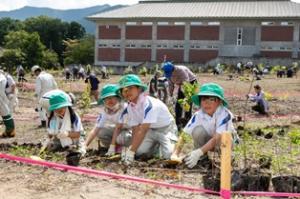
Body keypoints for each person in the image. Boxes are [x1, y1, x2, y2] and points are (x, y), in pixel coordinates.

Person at [171, 83, 237, 168]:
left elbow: (217, 137)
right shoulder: (198, 115)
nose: (206, 102)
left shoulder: (225, 114)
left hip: (223, 143)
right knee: (197, 131)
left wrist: (199, 152)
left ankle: (227, 158)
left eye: (211, 99)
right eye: (203, 99)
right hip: (208, 141)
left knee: (224, 138)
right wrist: (175, 153)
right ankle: (203, 158)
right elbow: (184, 134)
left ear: (220, 101)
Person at [117, 74, 178, 164]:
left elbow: (143, 129)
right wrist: (133, 149)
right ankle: (155, 147)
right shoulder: (130, 107)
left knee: (168, 155)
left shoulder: (149, 104)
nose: (127, 92)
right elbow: (135, 129)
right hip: (150, 130)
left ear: (139, 89)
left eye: (130, 88)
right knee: (139, 152)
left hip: (165, 129)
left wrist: (131, 151)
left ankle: (166, 144)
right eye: (124, 90)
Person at [85, 84, 132, 155]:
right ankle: (117, 148)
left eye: (112, 97)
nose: (110, 100)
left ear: (118, 98)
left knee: (123, 138)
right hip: (118, 130)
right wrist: (84, 146)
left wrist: (112, 145)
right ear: (103, 100)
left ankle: (127, 148)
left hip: (130, 130)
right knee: (101, 131)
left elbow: (118, 127)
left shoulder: (125, 108)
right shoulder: (105, 111)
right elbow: (95, 129)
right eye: (107, 98)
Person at [162, 62, 197, 130]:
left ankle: (187, 121)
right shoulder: (169, 75)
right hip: (181, 84)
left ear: (173, 69)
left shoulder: (181, 70)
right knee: (179, 103)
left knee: (187, 102)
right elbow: (171, 84)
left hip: (190, 82)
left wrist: (186, 95)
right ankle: (178, 123)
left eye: (170, 73)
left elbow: (186, 82)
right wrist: (171, 93)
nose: (169, 75)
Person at [0, 72, 15, 138]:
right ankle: (10, 130)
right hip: (2, 92)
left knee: (4, 109)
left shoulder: (5, 77)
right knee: (4, 109)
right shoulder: (3, 77)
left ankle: (10, 130)